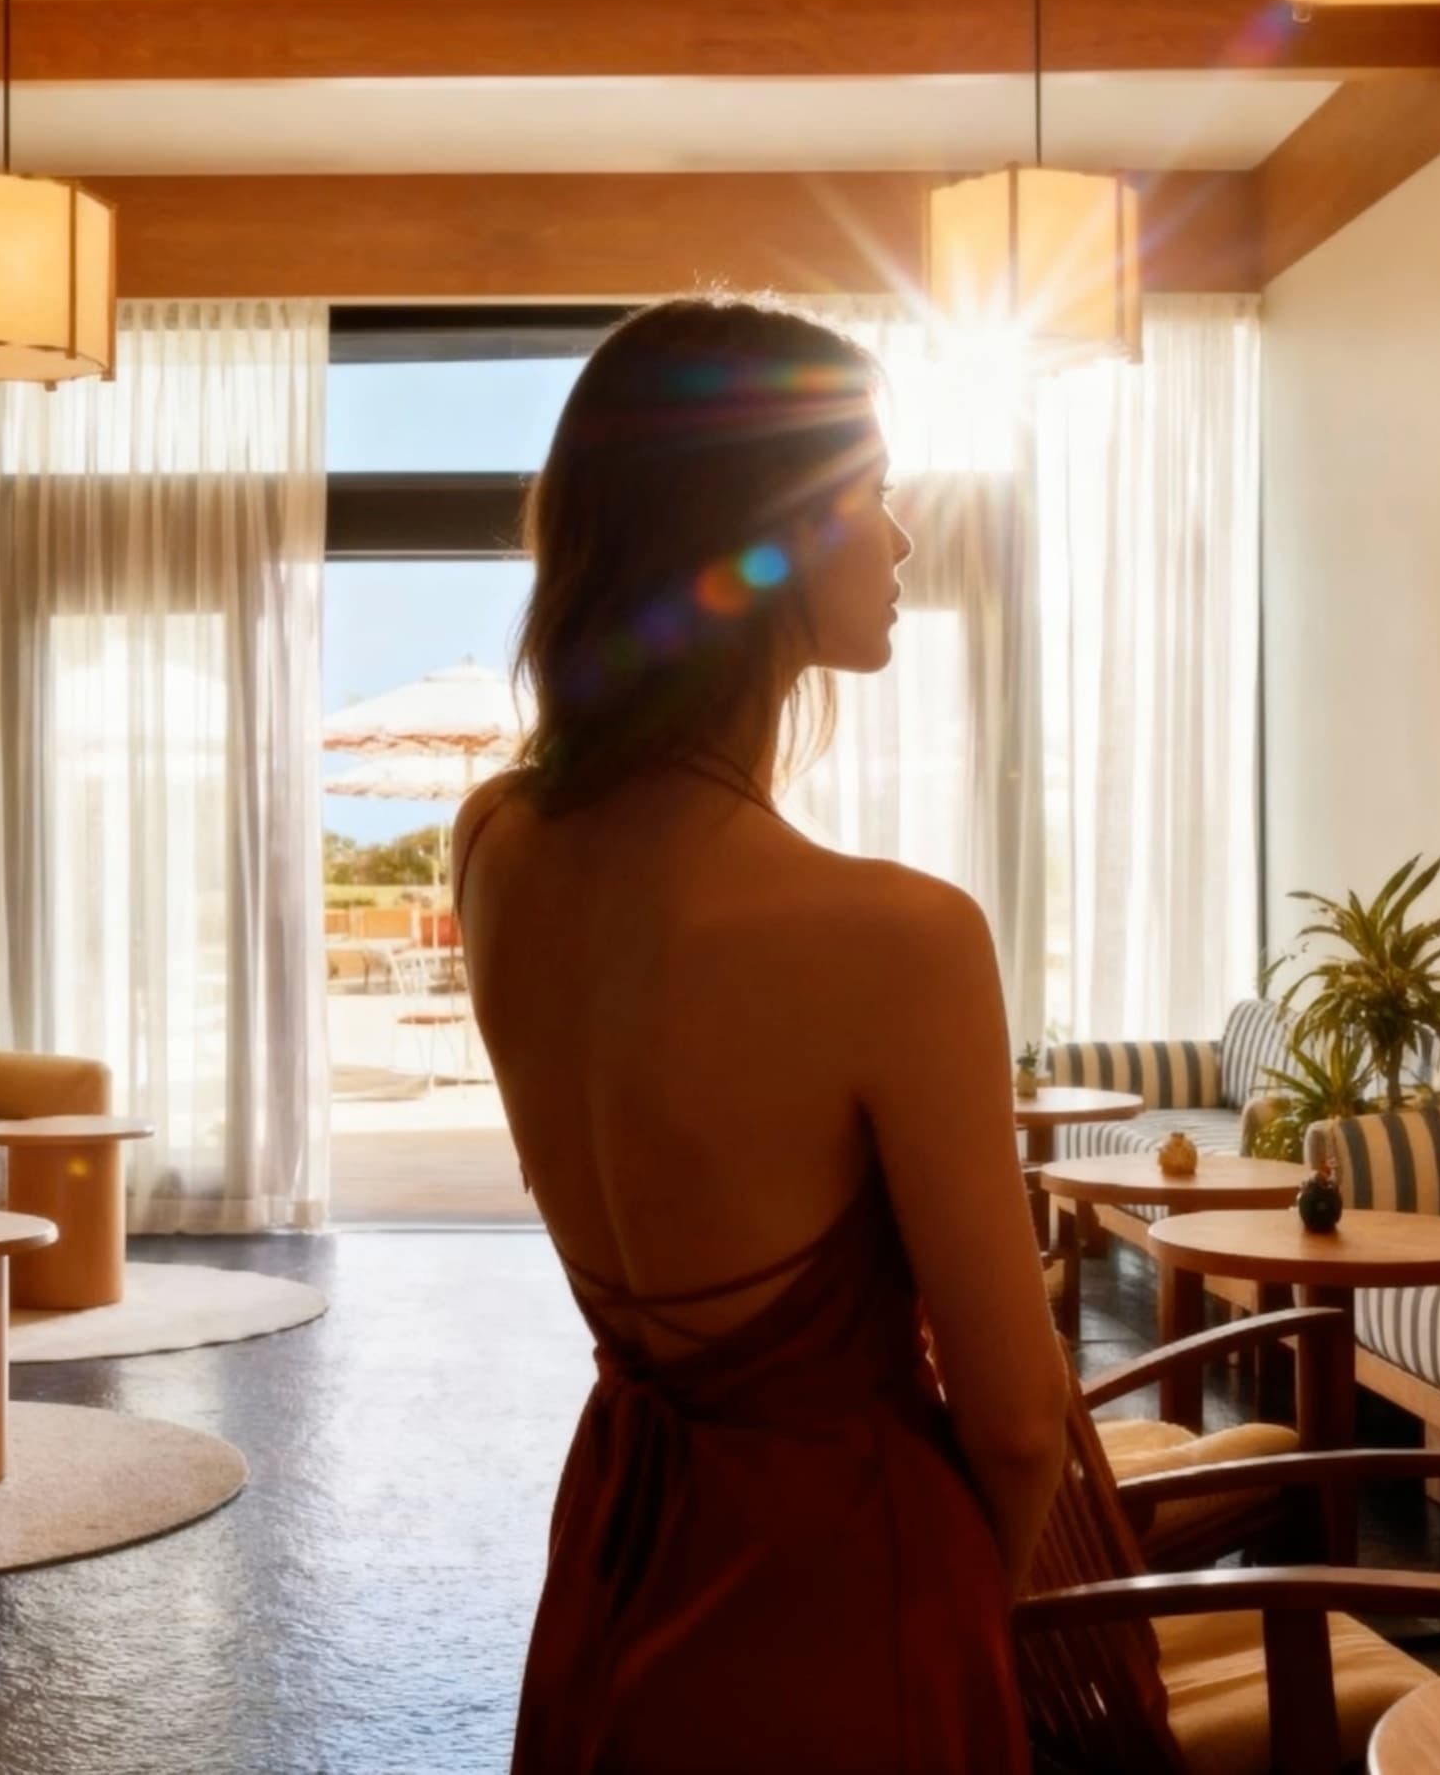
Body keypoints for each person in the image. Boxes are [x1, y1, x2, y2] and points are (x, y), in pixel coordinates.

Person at [454, 295, 1066, 1774]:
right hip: (848, 1601)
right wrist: (950, 1613)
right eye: (876, 493)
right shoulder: (900, 940)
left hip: (623, 1548)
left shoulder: (492, 848)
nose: (907, 539)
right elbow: (1022, 1425)